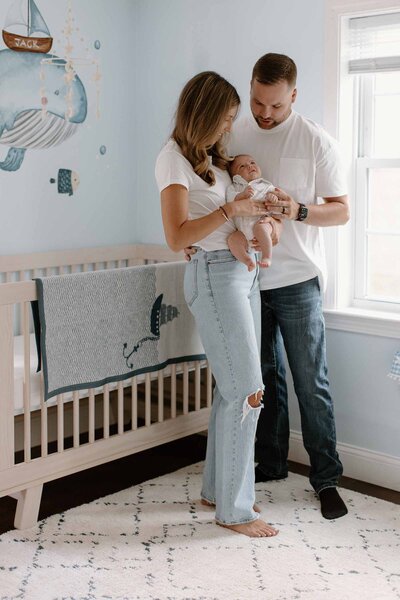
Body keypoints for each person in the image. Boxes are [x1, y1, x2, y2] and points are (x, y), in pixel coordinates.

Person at [155, 71, 279, 538]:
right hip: (213, 276)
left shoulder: (210, 158)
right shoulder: (172, 161)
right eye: (224, 118)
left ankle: (216, 491)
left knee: (230, 391)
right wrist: (232, 213)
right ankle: (236, 511)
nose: (228, 128)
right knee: (249, 390)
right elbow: (176, 237)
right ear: (202, 114)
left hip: (242, 275)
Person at [227, 53, 350, 520]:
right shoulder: (235, 132)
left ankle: (326, 479)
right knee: (262, 381)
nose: (264, 113)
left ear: (293, 96)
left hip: (297, 278)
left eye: (275, 106)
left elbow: (340, 210)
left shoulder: (315, 140)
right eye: (258, 101)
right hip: (247, 277)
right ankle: (271, 462)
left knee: (310, 382)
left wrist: (296, 210)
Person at [226, 154, 277, 271]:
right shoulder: (234, 188)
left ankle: (267, 257)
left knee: (261, 228)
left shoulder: (265, 185)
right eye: (242, 166)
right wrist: (242, 195)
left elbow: (276, 202)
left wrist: (273, 197)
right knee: (233, 239)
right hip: (242, 233)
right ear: (235, 176)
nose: (249, 166)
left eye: (252, 163)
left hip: (261, 222)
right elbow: (230, 201)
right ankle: (248, 260)